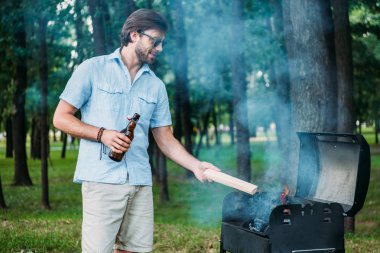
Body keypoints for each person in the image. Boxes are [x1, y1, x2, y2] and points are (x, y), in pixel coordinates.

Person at [53, 8, 220, 253]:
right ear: (134, 35)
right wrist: (103, 134)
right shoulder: (92, 69)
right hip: (102, 181)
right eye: (156, 41)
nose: (160, 48)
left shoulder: (156, 86)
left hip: (140, 182)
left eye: (162, 42)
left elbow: (164, 138)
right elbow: (60, 118)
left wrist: (196, 165)